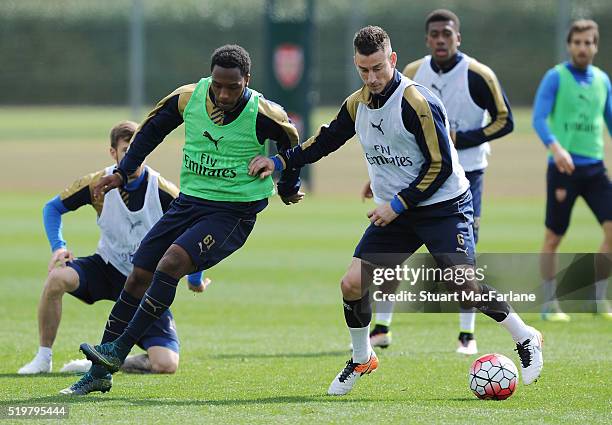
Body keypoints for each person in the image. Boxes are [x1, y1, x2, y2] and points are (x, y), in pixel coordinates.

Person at [249, 26, 542, 396]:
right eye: (363, 70)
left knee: (462, 284)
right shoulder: (356, 103)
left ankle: (525, 336)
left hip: (443, 207)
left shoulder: (418, 101)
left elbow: (441, 166)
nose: (371, 78)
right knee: (351, 284)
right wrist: (280, 162)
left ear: (392, 59)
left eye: (377, 68)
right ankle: (361, 357)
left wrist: (397, 203)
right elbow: (322, 143)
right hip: (397, 211)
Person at [62, 44, 303, 395]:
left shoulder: (264, 112)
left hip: (234, 211)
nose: (223, 94)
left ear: (247, 81)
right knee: (139, 272)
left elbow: (292, 141)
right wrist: (123, 170)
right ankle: (100, 372)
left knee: (171, 262)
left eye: (232, 87)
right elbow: (149, 132)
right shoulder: (188, 98)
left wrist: (288, 185)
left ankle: (115, 352)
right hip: (190, 203)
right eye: (218, 85)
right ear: (210, 77)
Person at [360, 9, 514, 355]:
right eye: (434, 35)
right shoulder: (412, 72)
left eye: (447, 33)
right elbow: (388, 132)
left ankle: (467, 333)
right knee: (389, 252)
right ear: (427, 39)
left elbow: (505, 121)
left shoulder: (478, 74)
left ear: (457, 37)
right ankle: (381, 327)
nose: (441, 40)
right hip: (412, 175)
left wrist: (461, 137)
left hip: (465, 175)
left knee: (462, 261)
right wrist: (377, 175)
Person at [19, 120, 209, 379]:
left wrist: (195, 278)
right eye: (127, 149)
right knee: (57, 278)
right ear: (113, 153)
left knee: (165, 364)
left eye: (138, 150)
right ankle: (43, 358)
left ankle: (103, 361)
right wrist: (58, 247)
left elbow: (197, 229)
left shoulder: (164, 191)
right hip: (106, 267)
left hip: (145, 281)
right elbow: (52, 208)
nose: (133, 156)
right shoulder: (97, 183)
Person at [533, 19, 612, 321]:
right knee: (554, 236)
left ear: (596, 45)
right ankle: (550, 303)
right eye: (577, 42)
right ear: (569, 45)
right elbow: (539, 119)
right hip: (563, 169)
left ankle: (597, 299)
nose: (582, 48)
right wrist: (557, 148)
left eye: (588, 42)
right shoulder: (555, 77)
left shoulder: (603, 81)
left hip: (595, 168)